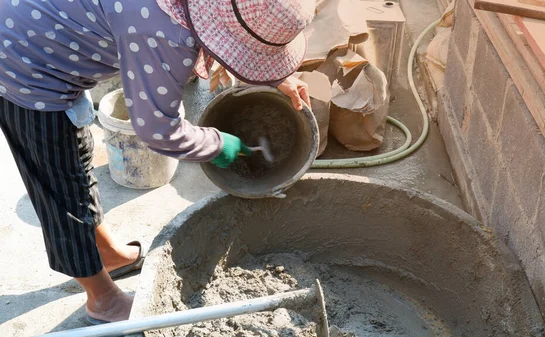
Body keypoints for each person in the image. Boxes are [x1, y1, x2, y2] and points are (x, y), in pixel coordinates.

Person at [0, 0, 314, 325]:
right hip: (20, 64)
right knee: (61, 196)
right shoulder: (166, 33)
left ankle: (106, 254)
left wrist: (278, 77)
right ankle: (102, 301)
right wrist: (219, 143)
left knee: (75, 163)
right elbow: (156, 130)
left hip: (45, 29)